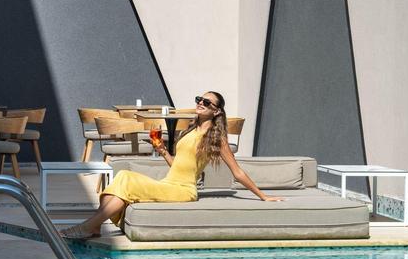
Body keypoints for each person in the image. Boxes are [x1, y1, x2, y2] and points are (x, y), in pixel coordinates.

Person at [61, 91, 283, 239]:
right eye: (199, 99)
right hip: (169, 183)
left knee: (127, 180)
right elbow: (178, 165)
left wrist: (263, 196)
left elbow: (237, 172)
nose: (200, 104)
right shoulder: (190, 130)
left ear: (216, 111)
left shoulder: (217, 139)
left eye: (207, 103)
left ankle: (89, 226)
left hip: (184, 191)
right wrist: (162, 150)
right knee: (124, 176)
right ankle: (94, 225)